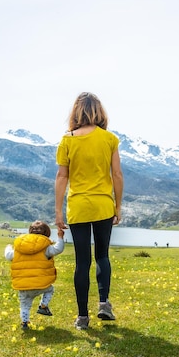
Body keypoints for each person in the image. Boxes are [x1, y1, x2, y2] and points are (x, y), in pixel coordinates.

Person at [55, 92, 124, 331]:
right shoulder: (109, 139)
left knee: (81, 262)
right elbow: (117, 175)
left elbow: (62, 177)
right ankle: (104, 304)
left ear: (76, 112)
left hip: (78, 207)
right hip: (103, 205)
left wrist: (58, 212)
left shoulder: (67, 140)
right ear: (99, 112)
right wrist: (118, 206)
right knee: (102, 255)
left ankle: (82, 317)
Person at [4, 220, 64, 330]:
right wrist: (60, 237)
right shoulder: (45, 246)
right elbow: (58, 249)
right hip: (42, 284)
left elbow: (8, 256)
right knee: (50, 290)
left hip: (23, 286)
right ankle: (43, 305)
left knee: (24, 305)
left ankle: (24, 323)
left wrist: (8, 247)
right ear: (47, 233)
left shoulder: (19, 246)